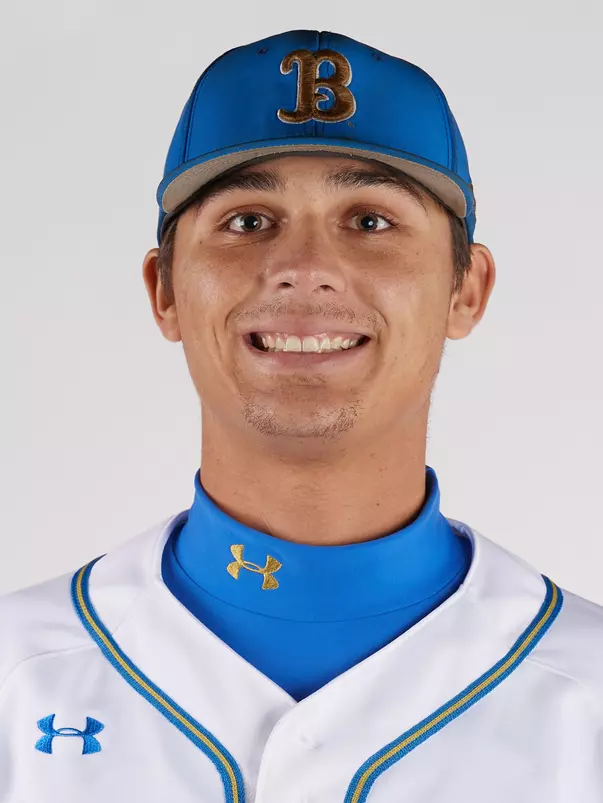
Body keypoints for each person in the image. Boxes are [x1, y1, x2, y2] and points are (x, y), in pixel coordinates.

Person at [1, 28, 602, 803]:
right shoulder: (17, 674)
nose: (305, 269)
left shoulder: (586, 694)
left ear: (466, 291)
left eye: (370, 221)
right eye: (247, 221)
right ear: (165, 291)